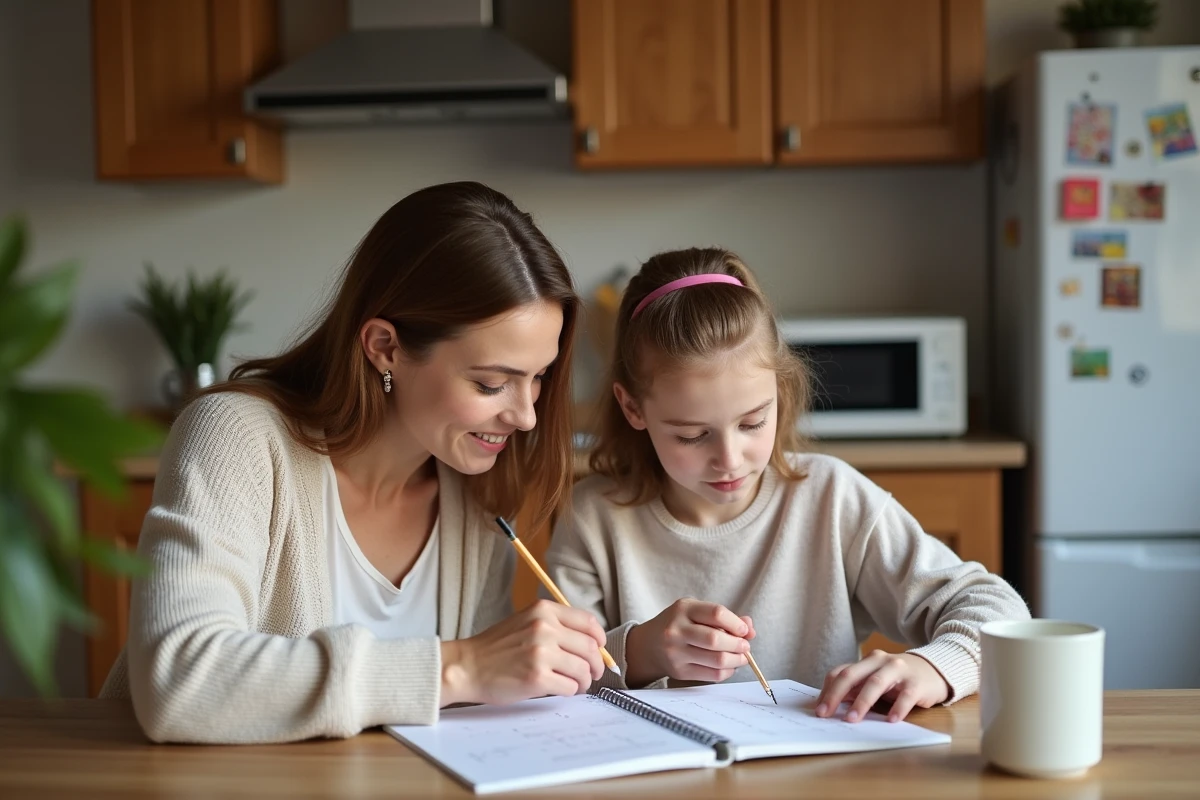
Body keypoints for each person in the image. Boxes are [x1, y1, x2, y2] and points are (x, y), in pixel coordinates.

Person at [101, 182, 607, 744]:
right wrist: (461, 666)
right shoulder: (235, 438)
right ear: (385, 347)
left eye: (538, 378)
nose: (526, 416)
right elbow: (179, 682)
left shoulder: (475, 488)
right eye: (492, 384)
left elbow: (472, 716)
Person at [545, 247, 1030, 724]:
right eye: (692, 435)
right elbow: (553, 677)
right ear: (633, 409)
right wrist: (640, 651)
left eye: (753, 423)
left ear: (779, 391)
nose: (729, 459)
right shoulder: (593, 518)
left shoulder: (832, 498)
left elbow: (999, 610)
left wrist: (931, 666)